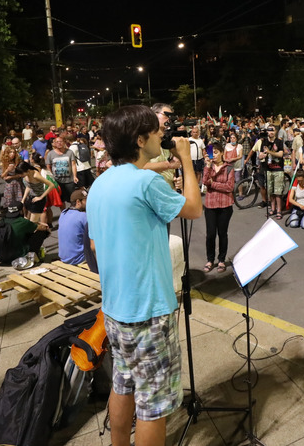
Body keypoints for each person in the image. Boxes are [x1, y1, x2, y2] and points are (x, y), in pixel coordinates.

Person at [86, 105, 202, 446]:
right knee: (154, 405)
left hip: (116, 309)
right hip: (149, 311)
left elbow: (94, 243)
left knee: (124, 384)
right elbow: (194, 208)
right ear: (140, 139)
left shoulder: (101, 183)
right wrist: (187, 160)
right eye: (155, 131)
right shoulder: (147, 183)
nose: (162, 135)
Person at [201, 140, 234, 272]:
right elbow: (204, 182)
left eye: (215, 152)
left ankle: (221, 260)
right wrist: (207, 167)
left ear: (221, 153)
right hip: (210, 205)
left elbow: (229, 187)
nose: (213, 155)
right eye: (211, 153)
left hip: (225, 205)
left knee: (222, 234)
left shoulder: (229, 168)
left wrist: (213, 184)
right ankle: (210, 259)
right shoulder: (208, 167)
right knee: (210, 234)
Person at [58, 189, 90, 267]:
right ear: (78, 202)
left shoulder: (64, 213)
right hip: (79, 259)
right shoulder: (83, 217)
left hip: (64, 258)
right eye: (86, 200)